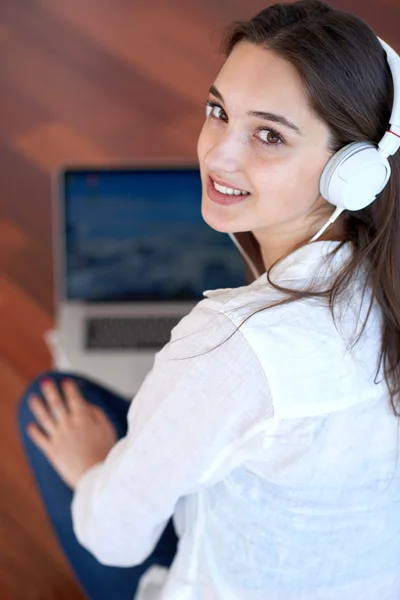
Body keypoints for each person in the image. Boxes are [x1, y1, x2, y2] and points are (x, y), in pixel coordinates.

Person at [17, 1, 400, 599]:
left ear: (353, 172)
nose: (218, 154)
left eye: (269, 134)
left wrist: (91, 468)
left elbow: (114, 540)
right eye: (218, 110)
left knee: (46, 401)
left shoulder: (230, 343)